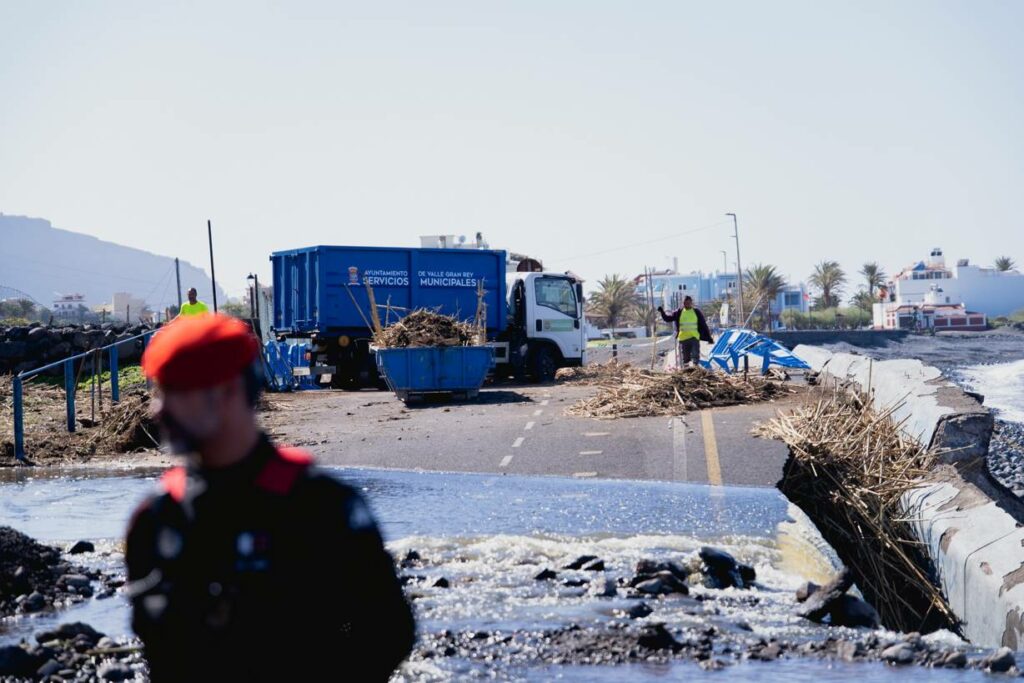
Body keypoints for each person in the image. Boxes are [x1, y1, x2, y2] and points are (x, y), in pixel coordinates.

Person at [125, 314, 415, 682]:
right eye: (159, 392)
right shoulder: (157, 519)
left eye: (175, 391)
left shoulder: (319, 506)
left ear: (228, 391)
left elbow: (390, 633)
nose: (158, 410)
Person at [658, 296, 714, 367]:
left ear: (691, 303)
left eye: (688, 303)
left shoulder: (696, 312)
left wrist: (709, 338)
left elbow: (703, 325)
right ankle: (686, 370)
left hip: (694, 337)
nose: (687, 304)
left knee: (695, 355)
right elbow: (668, 319)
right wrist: (662, 312)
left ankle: (695, 368)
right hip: (683, 339)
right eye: (685, 303)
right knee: (685, 358)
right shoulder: (679, 312)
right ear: (683, 303)